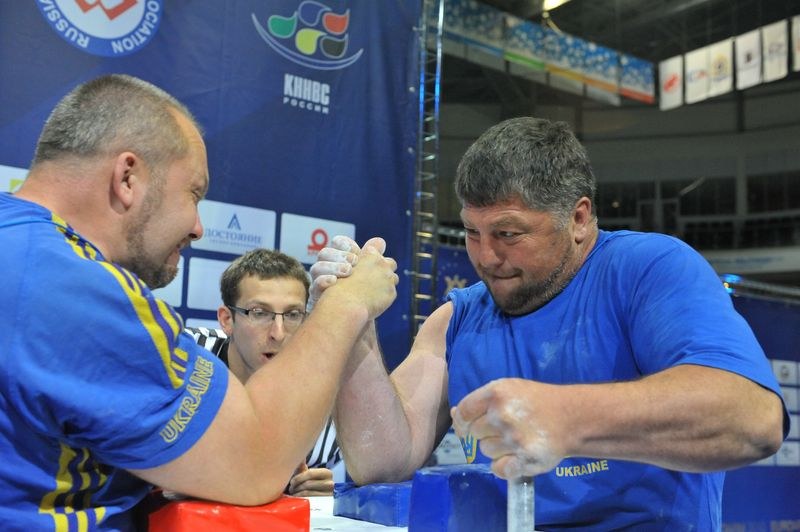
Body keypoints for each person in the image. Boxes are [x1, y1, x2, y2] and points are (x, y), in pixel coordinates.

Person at [311, 117, 789, 529]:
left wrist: (568, 417)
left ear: (579, 218)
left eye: (508, 234)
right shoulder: (456, 318)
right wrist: (353, 320)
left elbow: (753, 419)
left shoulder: (649, 269)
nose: (485, 256)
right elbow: (382, 461)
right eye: (472, 232)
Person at [0, 74, 398, 530]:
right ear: (127, 177)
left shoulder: (19, 243)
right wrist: (347, 302)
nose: (197, 227)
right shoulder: (77, 288)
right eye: (194, 194)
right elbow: (254, 460)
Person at [187, 248, 341, 497]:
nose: (278, 333)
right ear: (227, 320)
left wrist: (315, 497)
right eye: (259, 313)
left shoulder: (328, 408)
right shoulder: (182, 358)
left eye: (292, 314)